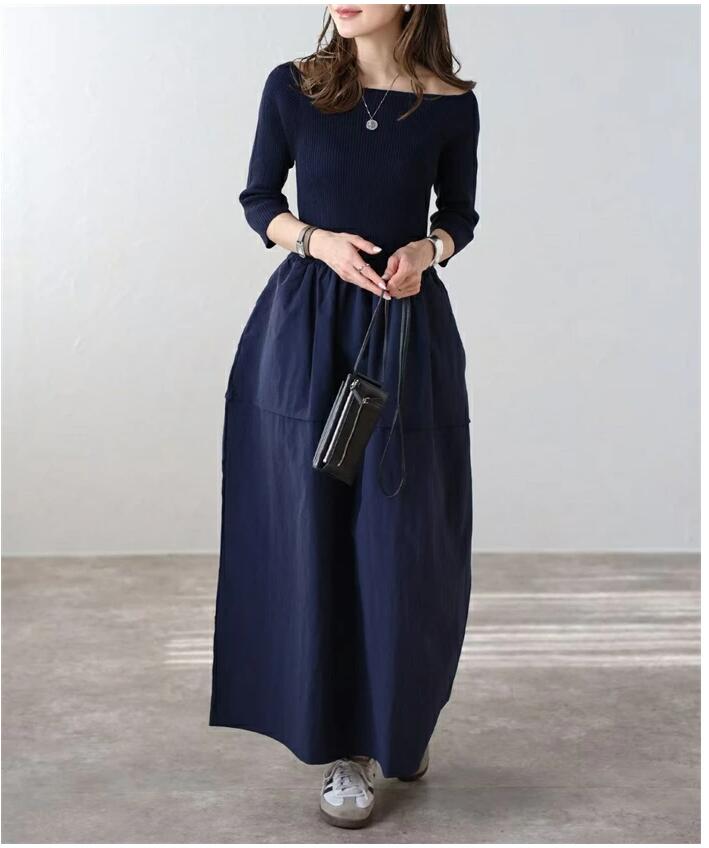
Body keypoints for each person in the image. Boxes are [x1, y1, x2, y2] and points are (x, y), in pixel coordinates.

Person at [210, 2, 480, 829]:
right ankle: (346, 750)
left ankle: (400, 722)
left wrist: (428, 251)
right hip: (306, 333)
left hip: (404, 334)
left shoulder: (451, 104)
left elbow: (458, 215)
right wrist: (316, 241)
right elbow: (259, 198)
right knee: (316, 533)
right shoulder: (293, 87)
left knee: (402, 541)